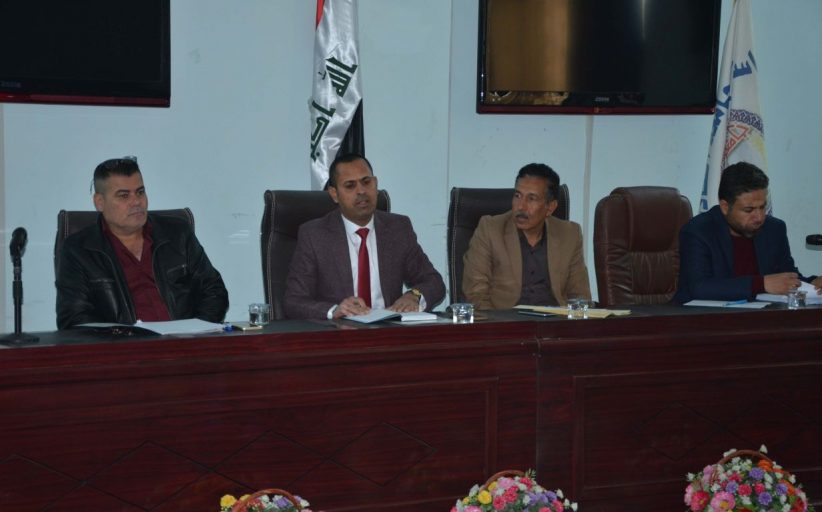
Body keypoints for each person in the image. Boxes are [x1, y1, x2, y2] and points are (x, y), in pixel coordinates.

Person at [56, 157, 229, 328]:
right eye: (124, 196)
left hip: (185, 341)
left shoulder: (177, 233)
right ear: (99, 202)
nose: (136, 202)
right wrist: (125, 340)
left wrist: (194, 333)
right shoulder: (78, 250)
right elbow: (74, 318)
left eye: (140, 192)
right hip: (124, 344)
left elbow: (214, 291)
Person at [284, 153, 445, 320]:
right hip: (340, 330)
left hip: (388, 329)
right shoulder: (314, 235)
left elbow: (433, 282)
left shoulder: (397, 228)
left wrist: (414, 296)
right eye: (350, 186)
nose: (361, 191)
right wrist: (335, 310)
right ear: (334, 194)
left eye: (366, 182)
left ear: (375, 183)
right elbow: (294, 301)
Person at [674, 161, 821, 303]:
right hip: (705, 317)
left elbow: (786, 276)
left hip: (759, 315)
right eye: (749, 210)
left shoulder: (774, 229)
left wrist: (813, 283)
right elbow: (698, 287)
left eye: (762, 207)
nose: (759, 217)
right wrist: (761, 284)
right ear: (725, 207)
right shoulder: (698, 231)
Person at [462, 163, 591, 309]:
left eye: (531, 199)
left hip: (555, 319)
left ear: (550, 207)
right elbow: (476, 295)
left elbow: (580, 297)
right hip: (506, 319)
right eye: (517, 196)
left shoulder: (570, 234)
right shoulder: (490, 229)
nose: (520, 206)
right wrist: (497, 322)